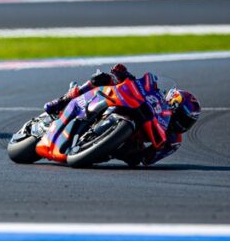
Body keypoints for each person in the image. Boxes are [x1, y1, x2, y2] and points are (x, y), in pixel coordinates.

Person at [42, 64, 200, 167]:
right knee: (104, 79)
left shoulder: (174, 141)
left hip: (129, 141)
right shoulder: (158, 97)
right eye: (183, 117)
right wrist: (124, 75)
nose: (182, 124)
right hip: (130, 106)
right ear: (173, 103)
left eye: (188, 122)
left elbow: (148, 159)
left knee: (132, 156)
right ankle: (63, 100)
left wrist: (135, 152)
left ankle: (96, 146)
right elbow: (141, 86)